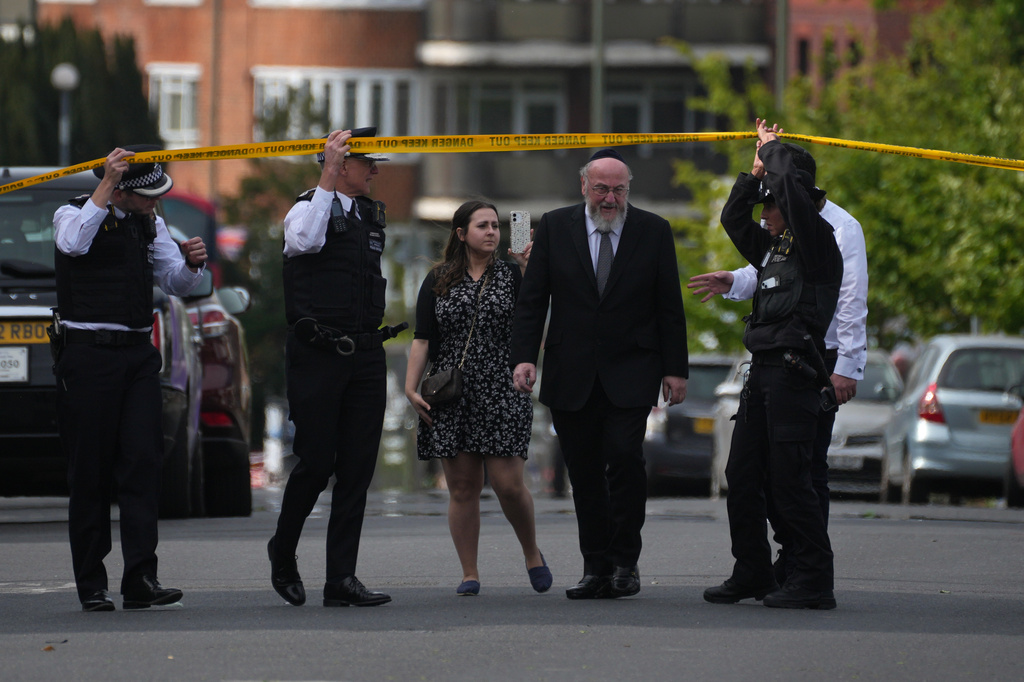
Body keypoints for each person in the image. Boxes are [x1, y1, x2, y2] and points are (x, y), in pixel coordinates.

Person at [510, 148, 689, 600]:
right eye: (602, 189)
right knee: (584, 473)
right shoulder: (555, 226)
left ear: (628, 191)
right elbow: (533, 299)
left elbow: (669, 305)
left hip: (632, 369)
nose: (610, 199)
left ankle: (626, 561)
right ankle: (596, 567)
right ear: (584, 187)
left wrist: (675, 370)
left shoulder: (653, 230)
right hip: (571, 372)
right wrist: (524, 357)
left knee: (625, 458)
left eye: (619, 190)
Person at [688, 142, 868, 584]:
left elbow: (851, 300)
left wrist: (849, 364)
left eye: (772, 201)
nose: (764, 213)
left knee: (798, 474)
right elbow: (756, 251)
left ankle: (805, 569)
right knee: (746, 473)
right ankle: (755, 569)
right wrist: (753, 174)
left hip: (809, 363)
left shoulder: (828, 234)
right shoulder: (779, 240)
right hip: (766, 365)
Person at [53, 145, 208, 612]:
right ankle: (91, 584)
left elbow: (173, 281)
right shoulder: (72, 213)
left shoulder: (149, 222)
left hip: (138, 355)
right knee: (91, 472)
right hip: (89, 355)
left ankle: (141, 577)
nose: (156, 202)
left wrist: (191, 265)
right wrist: (104, 184)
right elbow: (72, 245)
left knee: (143, 463)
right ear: (119, 191)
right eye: (147, 195)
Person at [268, 127, 400, 608]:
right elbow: (303, 241)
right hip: (318, 355)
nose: (376, 170)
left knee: (357, 469)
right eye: (367, 163)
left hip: (365, 355)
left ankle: (341, 578)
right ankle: (283, 550)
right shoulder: (307, 209)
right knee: (317, 462)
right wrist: (326, 175)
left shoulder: (368, 215)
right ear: (341, 166)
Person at [404, 200, 552, 596]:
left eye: (495, 226)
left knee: (508, 484)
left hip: (503, 388)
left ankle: (532, 553)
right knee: (463, 488)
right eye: (482, 225)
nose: (491, 232)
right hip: (451, 392)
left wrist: (527, 267)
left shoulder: (513, 273)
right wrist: (410, 388)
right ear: (461, 233)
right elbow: (422, 338)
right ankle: (469, 573)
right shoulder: (439, 278)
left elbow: (536, 319)